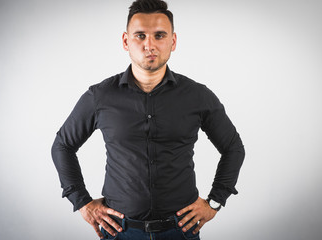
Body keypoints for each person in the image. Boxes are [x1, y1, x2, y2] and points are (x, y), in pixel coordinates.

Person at [51, 0, 245, 239]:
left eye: (159, 35)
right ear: (126, 41)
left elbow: (233, 147)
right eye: (140, 35)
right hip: (121, 231)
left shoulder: (198, 96)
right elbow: (63, 145)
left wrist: (214, 202)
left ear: (173, 42)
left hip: (180, 231)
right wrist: (82, 202)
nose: (149, 45)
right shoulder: (100, 96)